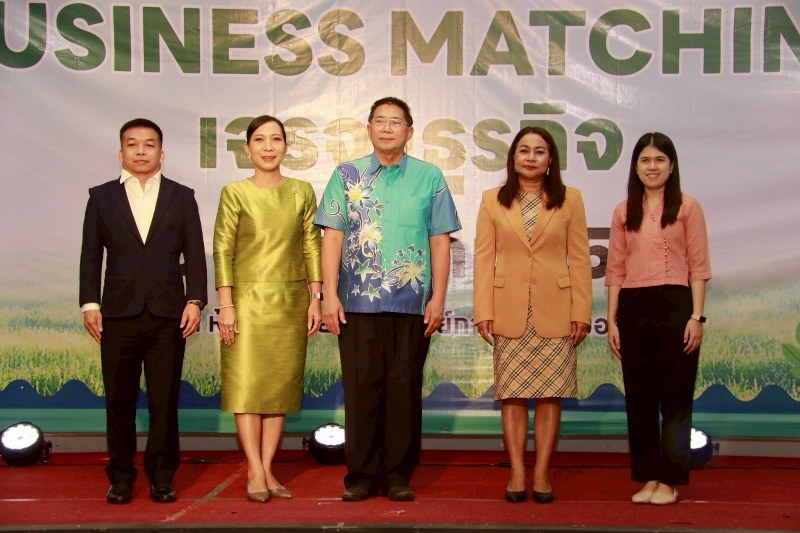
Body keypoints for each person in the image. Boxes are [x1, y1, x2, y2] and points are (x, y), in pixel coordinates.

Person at [315, 96, 461, 502]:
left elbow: (440, 240)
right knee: (361, 390)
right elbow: (332, 236)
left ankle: (398, 474)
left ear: (409, 131)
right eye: (379, 121)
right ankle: (361, 475)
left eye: (395, 122)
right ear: (368, 128)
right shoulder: (347, 175)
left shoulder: (430, 177)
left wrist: (438, 298)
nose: (386, 128)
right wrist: (329, 295)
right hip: (356, 304)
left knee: (403, 390)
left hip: (412, 305)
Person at [79, 118, 207, 504]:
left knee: (164, 402)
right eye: (132, 144)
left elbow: (195, 253)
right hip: (117, 315)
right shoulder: (101, 197)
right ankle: (120, 477)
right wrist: (90, 303)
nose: (140, 151)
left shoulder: (182, 196)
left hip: (168, 314)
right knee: (118, 401)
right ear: (121, 153)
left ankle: (162, 477)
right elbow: (91, 255)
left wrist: (195, 300)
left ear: (161, 154)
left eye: (148, 144)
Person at [473, 126, 592, 504]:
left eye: (539, 151)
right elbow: (483, 260)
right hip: (508, 308)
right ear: (513, 158)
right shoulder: (492, 200)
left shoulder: (570, 199)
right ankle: (517, 473)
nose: (530, 157)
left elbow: (580, 260)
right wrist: (483, 311)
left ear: (550, 159)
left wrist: (582, 311)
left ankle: (541, 473)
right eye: (523, 150)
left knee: (550, 394)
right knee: (512, 394)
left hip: (556, 308)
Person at [213, 115, 322, 503]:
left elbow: (311, 245)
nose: (269, 147)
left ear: (286, 147)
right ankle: (255, 470)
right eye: (260, 140)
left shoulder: (301, 191)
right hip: (245, 303)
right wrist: (226, 304)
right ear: (247, 148)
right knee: (247, 388)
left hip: (290, 303)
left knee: (279, 389)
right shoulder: (235, 193)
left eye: (276, 139)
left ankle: (268, 467)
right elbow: (223, 250)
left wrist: (316, 297)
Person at [606, 132, 711, 505]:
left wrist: (697, 316)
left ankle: (670, 480)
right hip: (632, 306)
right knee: (640, 398)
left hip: (676, 304)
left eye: (659, 160)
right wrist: (612, 320)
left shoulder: (687, 207)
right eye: (645, 160)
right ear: (636, 167)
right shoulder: (624, 211)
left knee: (676, 396)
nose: (652, 167)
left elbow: (699, 266)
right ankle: (649, 476)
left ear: (671, 165)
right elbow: (615, 270)